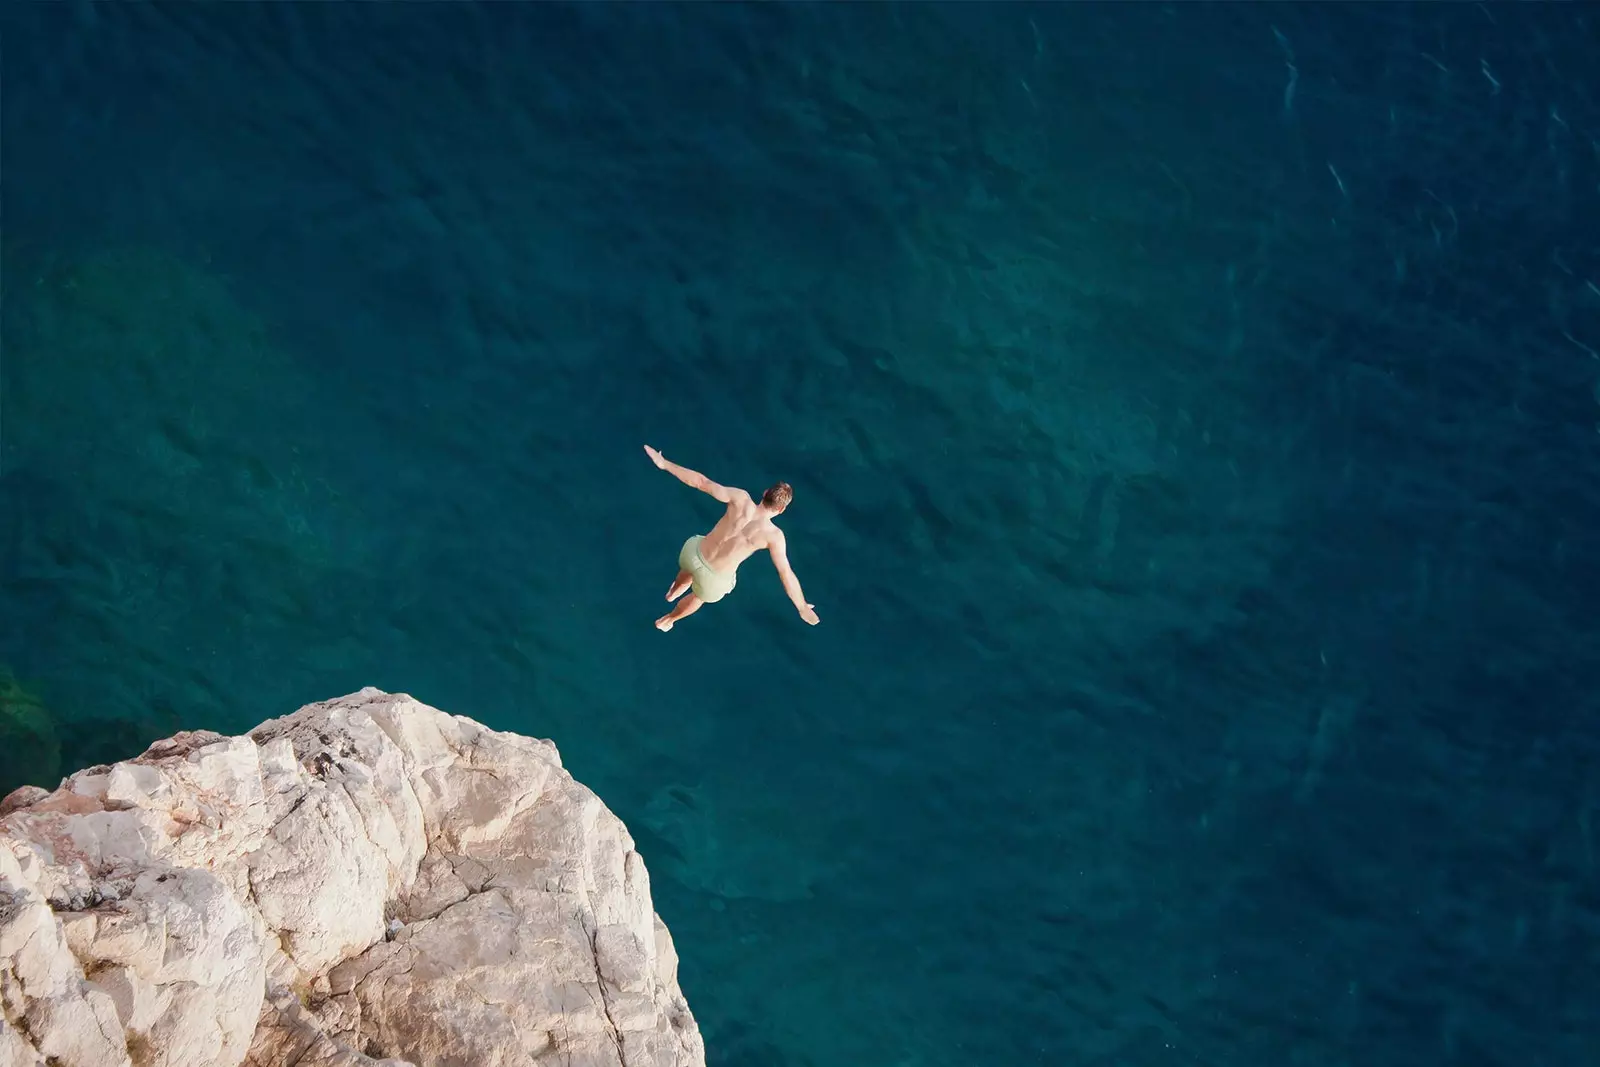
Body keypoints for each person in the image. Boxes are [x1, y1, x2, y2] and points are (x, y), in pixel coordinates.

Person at [643, 445, 819, 632]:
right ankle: (669, 619)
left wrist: (664, 464)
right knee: (698, 597)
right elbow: (785, 573)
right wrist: (801, 606)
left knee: (691, 565)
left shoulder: (740, 498)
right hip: (713, 579)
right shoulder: (773, 536)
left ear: (765, 492)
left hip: (693, 553)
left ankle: (673, 592)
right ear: (781, 509)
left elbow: (701, 482)